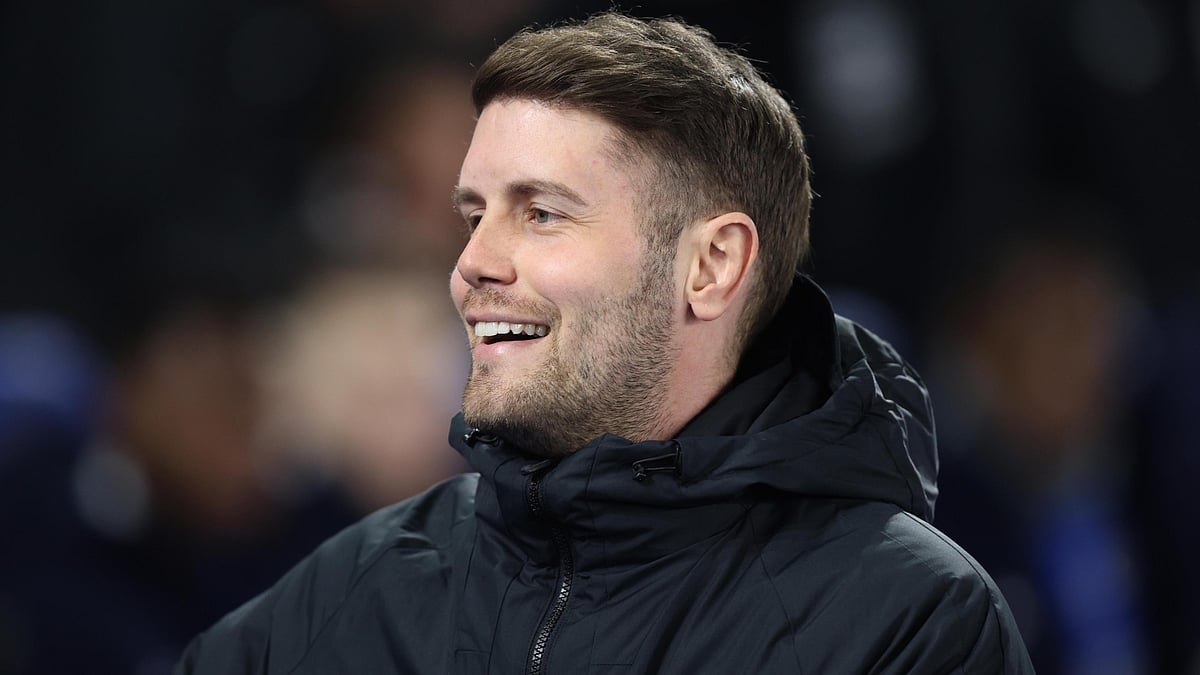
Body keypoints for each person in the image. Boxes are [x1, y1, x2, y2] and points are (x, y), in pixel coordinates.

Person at [176, 12, 1033, 673]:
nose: (471, 265)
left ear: (712, 264)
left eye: (540, 213)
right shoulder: (365, 587)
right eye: (474, 216)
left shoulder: (904, 618)